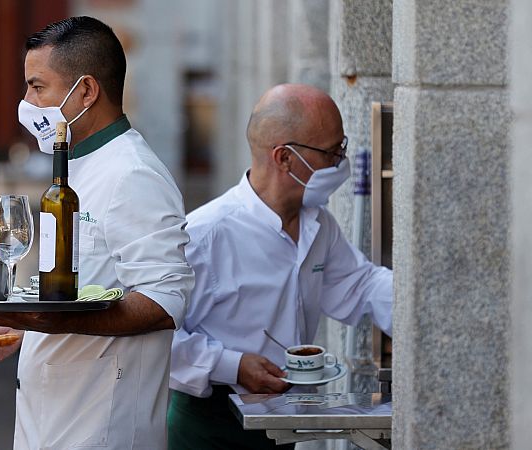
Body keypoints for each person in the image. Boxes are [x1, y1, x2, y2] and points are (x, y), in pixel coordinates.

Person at [0, 17, 195, 449]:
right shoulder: (76, 165)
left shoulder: (133, 173)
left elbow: (167, 301)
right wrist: (24, 329)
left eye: (38, 88)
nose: (27, 102)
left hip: (103, 429)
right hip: (51, 421)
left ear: (87, 91)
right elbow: (85, 286)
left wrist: (49, 321)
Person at [167, 84, 393, 449]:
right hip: (209, 427)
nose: (341, 163)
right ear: (284, 158)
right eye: (332, 152)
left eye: (342, 149)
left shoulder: (318, 225)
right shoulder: (205, 234)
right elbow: (157, 337)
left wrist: (425, 312)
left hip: (279, 422)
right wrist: (232, 366)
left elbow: (361, 285)